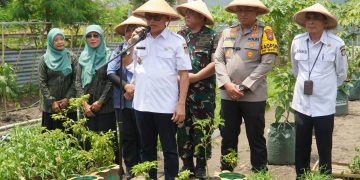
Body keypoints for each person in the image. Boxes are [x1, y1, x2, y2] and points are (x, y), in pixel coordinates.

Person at [123, 0, 192, 179]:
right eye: (148, 17)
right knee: (146, 149)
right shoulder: (139, 40)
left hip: (166, 105)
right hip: (142, 104)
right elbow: (126, 63)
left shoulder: (177, 41)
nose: (151, 20)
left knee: (169, 149)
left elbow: (184, 75)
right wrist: (131, 42)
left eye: (156, 17)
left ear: (167, 19)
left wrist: (181, 104)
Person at [214, 0, 278, 172]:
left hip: (253, 95)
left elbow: (267, 63)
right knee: (227, 134)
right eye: (240, 10)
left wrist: (243, 87)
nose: (243, 14)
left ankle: (259, 171)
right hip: (228, 95)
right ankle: (227, 170)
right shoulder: (227, 32)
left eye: (248, 10)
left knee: (255, 135)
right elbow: (218, 59)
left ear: (256, 12)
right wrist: (227, 84)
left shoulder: (266, 32)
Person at [291, 3, 347, 178]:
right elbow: (296, 69)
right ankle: (301, 176)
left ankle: (324, 176)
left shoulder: (337, 44)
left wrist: (324, 88)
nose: (311, 22)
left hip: (324, 104)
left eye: (316, 18)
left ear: (325, 22)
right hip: (301, 103)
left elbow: (341, 74)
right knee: (301, 145)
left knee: (324, 146)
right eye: (308, 18)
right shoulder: (297, 41)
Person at [175, 0, 219, 178]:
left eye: (191, 13)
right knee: (182, 128)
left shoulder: (212, 36)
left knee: (202, 129)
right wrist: (181, 78)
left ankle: (201, 165)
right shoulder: (179, 36)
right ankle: (186, 164)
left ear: (202, 17)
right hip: (182, 94)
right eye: (186, 13)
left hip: (204, 94)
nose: (187, 16)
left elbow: (216, 62)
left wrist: (196, 77)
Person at [107, 16, 147, 179]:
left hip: (144, 99)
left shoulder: (147, 46)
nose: (131, 32)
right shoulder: (119, 49)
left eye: (134, 28)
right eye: (128, 29)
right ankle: (132, 168)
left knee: (144, 135)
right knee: (128, 135)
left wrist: (136, 88)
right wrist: (126, 86)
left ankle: (145, 167)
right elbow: (110, 72)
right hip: (122, 100)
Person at [75, 25, 115, 151]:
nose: (92, 39)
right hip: (86, 107)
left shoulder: (110, 55)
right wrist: (84, 104)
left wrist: (101, 101)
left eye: (96, 36)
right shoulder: (82, 57)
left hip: (106, 106)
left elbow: (111, 81)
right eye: (89, 36)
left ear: (101, 37)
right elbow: (77, 82)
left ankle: (110, 171)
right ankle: (90, 170)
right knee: (88, 141)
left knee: (107, 141)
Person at [39, 28, 77, 131]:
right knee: (50, 138)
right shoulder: (44, 59)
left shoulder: (71, 57)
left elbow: (76, 80)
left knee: (70, 136)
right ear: (51, 42)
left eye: (61, 39)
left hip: (69, 107)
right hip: (50, 108)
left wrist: (67, 98)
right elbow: (42, 82)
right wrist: (52, 102)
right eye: (56, 40)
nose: (60, 42)